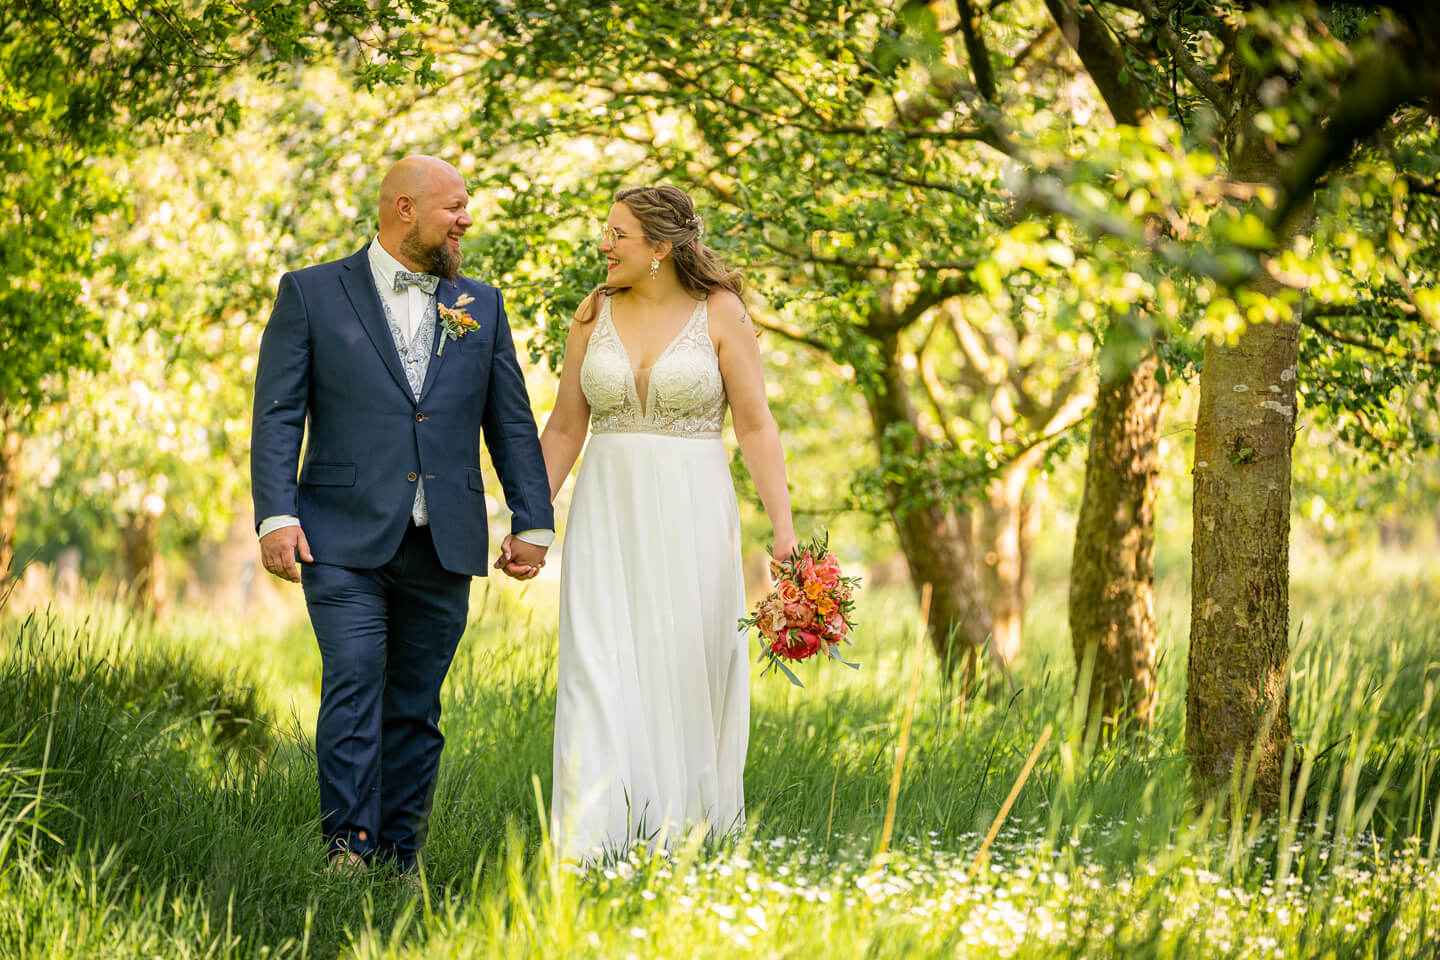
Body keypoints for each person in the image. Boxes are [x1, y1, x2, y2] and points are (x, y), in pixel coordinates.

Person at [250, 155, 553, 876]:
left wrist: (532, 520)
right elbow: (278, 412)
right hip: (340, 538)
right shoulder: (311, 294)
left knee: (417, 705)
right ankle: (347, 848)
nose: (466, 220)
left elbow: (509, 422)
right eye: (454, 207)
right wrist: (275, 517)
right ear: (405, 209)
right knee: (354, 679)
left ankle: (399, 856)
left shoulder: (480, 305)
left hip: (444, 540)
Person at [532, 184, 797, 862]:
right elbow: (565, 428)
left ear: (661, 247)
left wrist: (785, 534)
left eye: (617, 234)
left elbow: (757, 425)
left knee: (685, 665)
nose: (604, 245)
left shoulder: (720, 312)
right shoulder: (592, 314)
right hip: (606, 512)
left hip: (692, 510)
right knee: (598, 667)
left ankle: (683, 837)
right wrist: (527, 520)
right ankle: (589, 846)